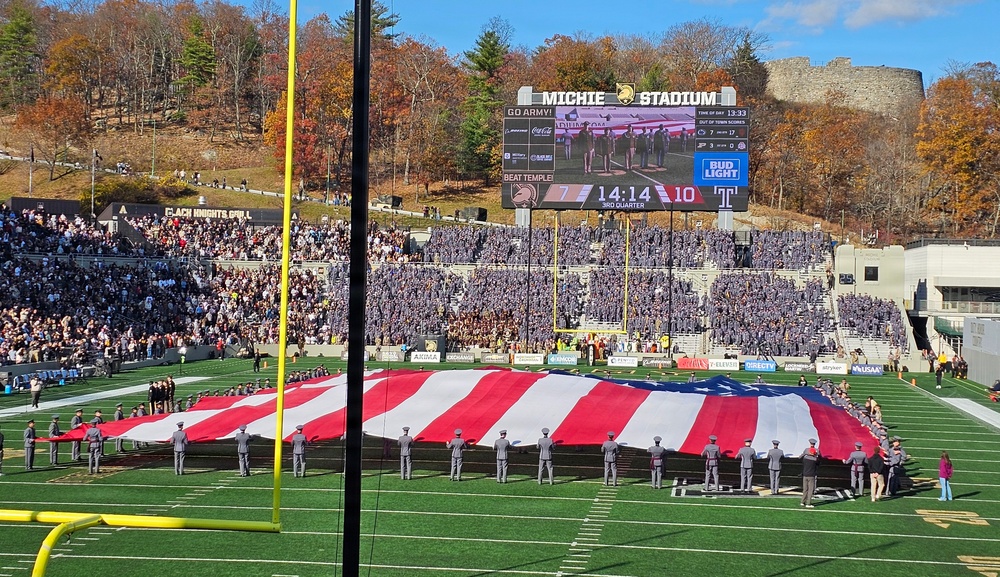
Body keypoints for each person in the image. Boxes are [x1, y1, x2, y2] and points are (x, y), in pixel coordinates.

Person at [800, 439, 820, 508]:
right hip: (811, 475)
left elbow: (801, 457)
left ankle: (802, 501)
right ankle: (808, 503)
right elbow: (819, 462)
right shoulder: (815, 460)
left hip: (805, 474)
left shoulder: (805, 459)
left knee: (805, 489)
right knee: (810, 489)